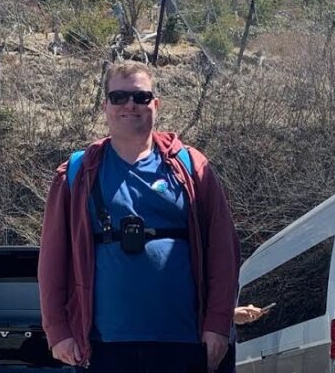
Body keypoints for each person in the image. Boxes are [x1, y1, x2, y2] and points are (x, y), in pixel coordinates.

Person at [38, 61, 240, 373]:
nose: (130, 105)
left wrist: (218, 323)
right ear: (105, 105)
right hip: (105, 347)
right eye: (119, 97)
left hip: (184, 343)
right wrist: (58, 331)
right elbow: (52, 259)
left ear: (155, 104)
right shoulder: (77, 174)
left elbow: (224, 251)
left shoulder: (191, 166)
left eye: (141, 97)